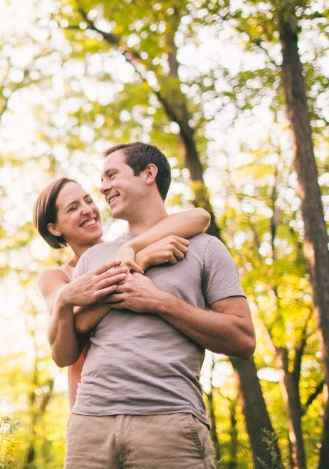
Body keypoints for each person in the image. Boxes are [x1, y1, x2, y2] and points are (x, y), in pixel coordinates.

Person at [64, 142, 256, 469]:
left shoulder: (206, 248)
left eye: (112, 174)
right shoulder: (93, 258)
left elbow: (243, 339)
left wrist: (160, 302)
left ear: (148, 173)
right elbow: (71, 341)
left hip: (169, 422)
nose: (102, 187)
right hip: (90, 427)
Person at [33, 177, 212, 408]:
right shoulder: (56, 277)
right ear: (54, 228)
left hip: (156, 393)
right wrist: (142, 260)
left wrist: (133, 252)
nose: (88, 210)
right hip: (92, 402)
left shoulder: (128, 246)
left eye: (88, 201)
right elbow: (73, 324)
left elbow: (199, 217)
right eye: (73, 208)